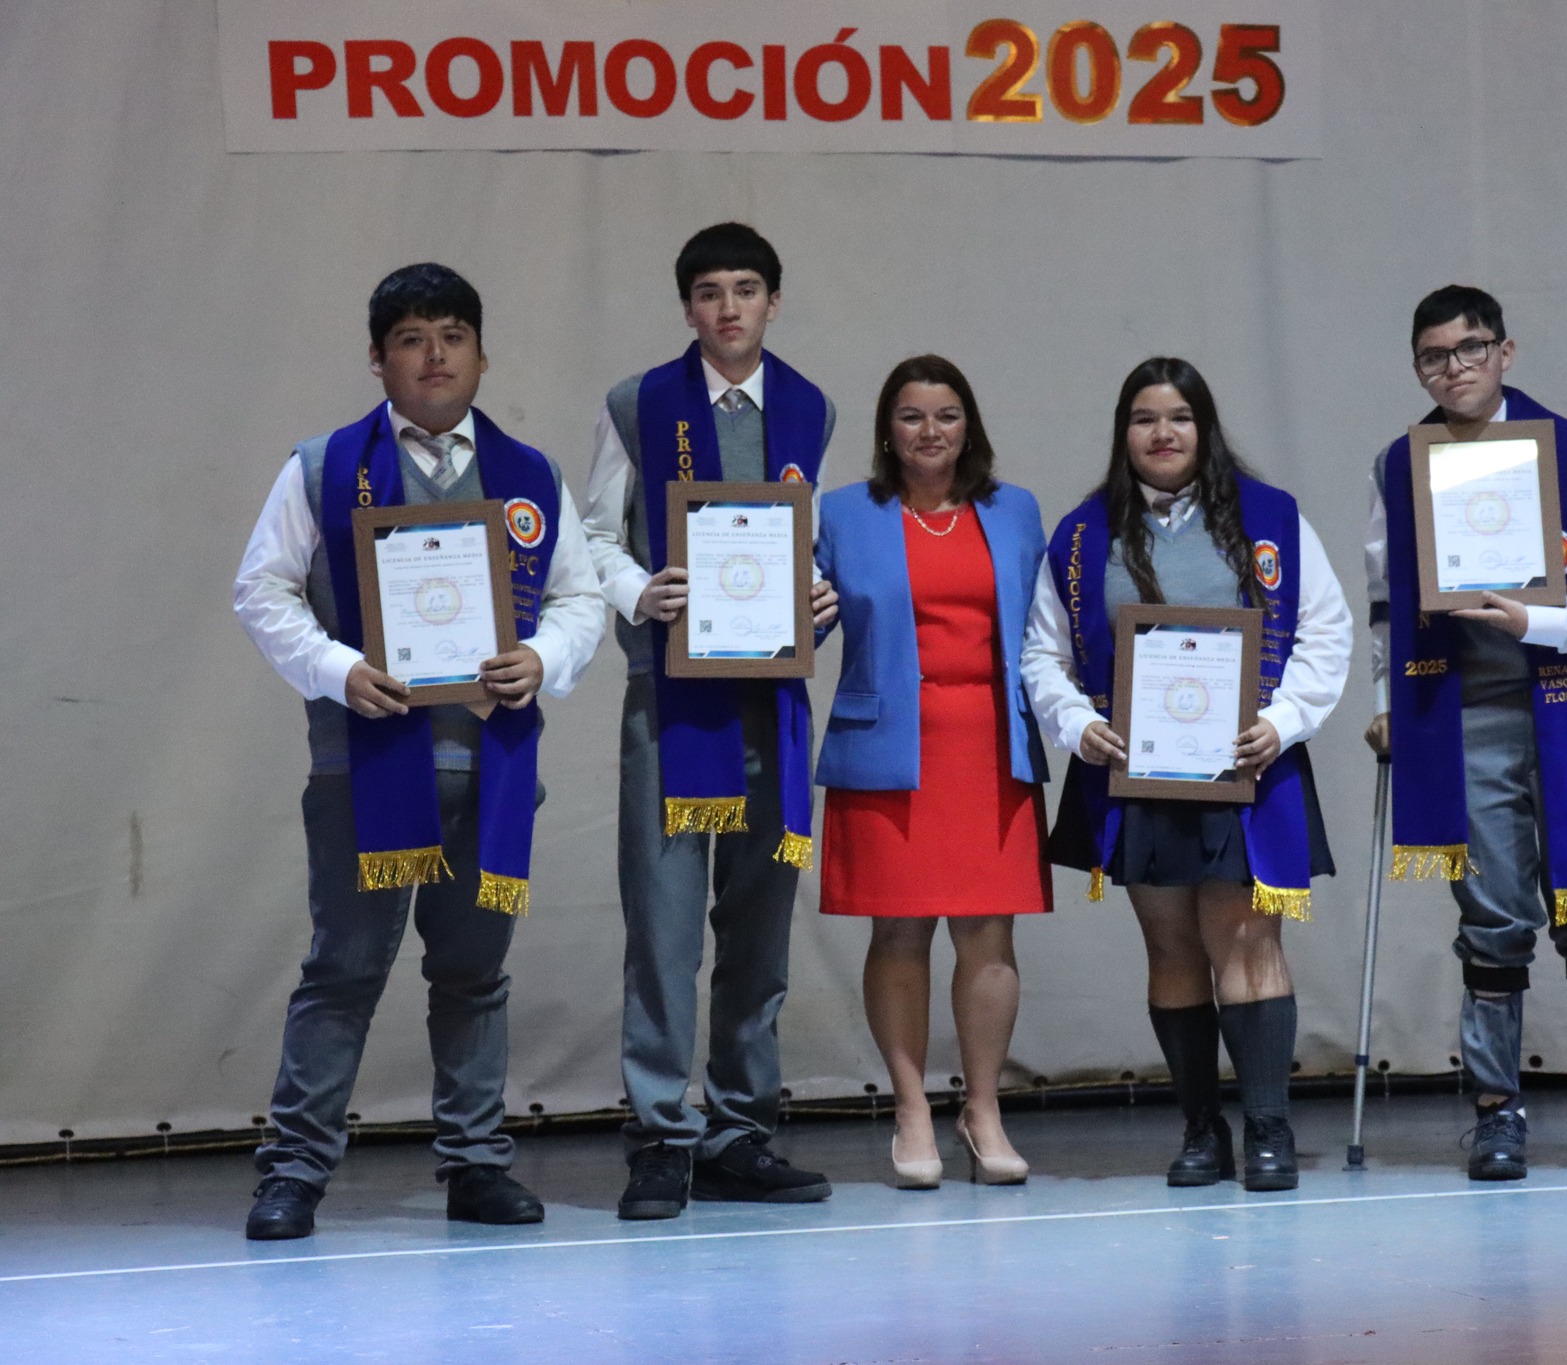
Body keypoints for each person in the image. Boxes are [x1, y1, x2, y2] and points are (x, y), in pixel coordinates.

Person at [231, 263, 606, 1239]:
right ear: (377, 358)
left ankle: (477, 1165)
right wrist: (334, 667)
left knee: (474, 976)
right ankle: (295, 1173)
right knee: (343, 971)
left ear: (482, 354)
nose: (432, 356)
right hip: (365, 770)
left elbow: (579, 596)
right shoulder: (321, 467)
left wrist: (543, 655)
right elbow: (261, 590)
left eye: (450, 335)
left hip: (492, 770)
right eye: (409, 338)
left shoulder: (531, 475)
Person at [1023, 357, 1352, 1192]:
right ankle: (1202, 1132)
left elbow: (1326, 631)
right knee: (1170, 947)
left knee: (1247, 939)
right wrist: (1079, 724)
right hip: (1133, 772)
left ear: (1204, 427)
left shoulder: (1270, 516)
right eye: (1143, 418)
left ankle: (1269, 1130)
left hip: (1248, 766)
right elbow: (1042, 653)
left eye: (1178, 417)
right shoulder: (1080, 534)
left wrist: (1280, 723)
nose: (1161, 433)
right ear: (1122, 432)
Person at [1361, 285, 1567, 1182]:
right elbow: (1385, 600)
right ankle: (1497, 1108)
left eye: (1471, 348)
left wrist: (1549, 619)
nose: (1454, 368)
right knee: (1491, 918)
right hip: (1461, 708)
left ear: (1506, 351)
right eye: (1434, 356)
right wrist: (1384, 697)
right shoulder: (1398, 464)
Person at [582, 222, 841, 1218]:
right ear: (686, 308)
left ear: (774, 301)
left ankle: (739, 1129)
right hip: (674, 701)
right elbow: (593, 534)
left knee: (758, 924)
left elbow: (800, 536)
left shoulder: (810, 406)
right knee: (663, 923)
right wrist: (638, 590)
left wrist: (820, 587)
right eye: (706, 292)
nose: (726, 308)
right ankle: (659, 1131)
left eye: (744, 289)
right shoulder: (639, 403)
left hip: (770, 704)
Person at [813, 356, 1051, 1188]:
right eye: (911, 416)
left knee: (990, 934)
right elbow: (794, 626)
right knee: (900, 931)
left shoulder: (1014, 511)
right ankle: (912, 1109)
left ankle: (982, 1108)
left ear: (970, 425)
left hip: (991, 741)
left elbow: (1048, 630)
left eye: (947, 415)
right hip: (887, 745)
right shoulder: (842, 513)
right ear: (887, 429)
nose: (929, 431)